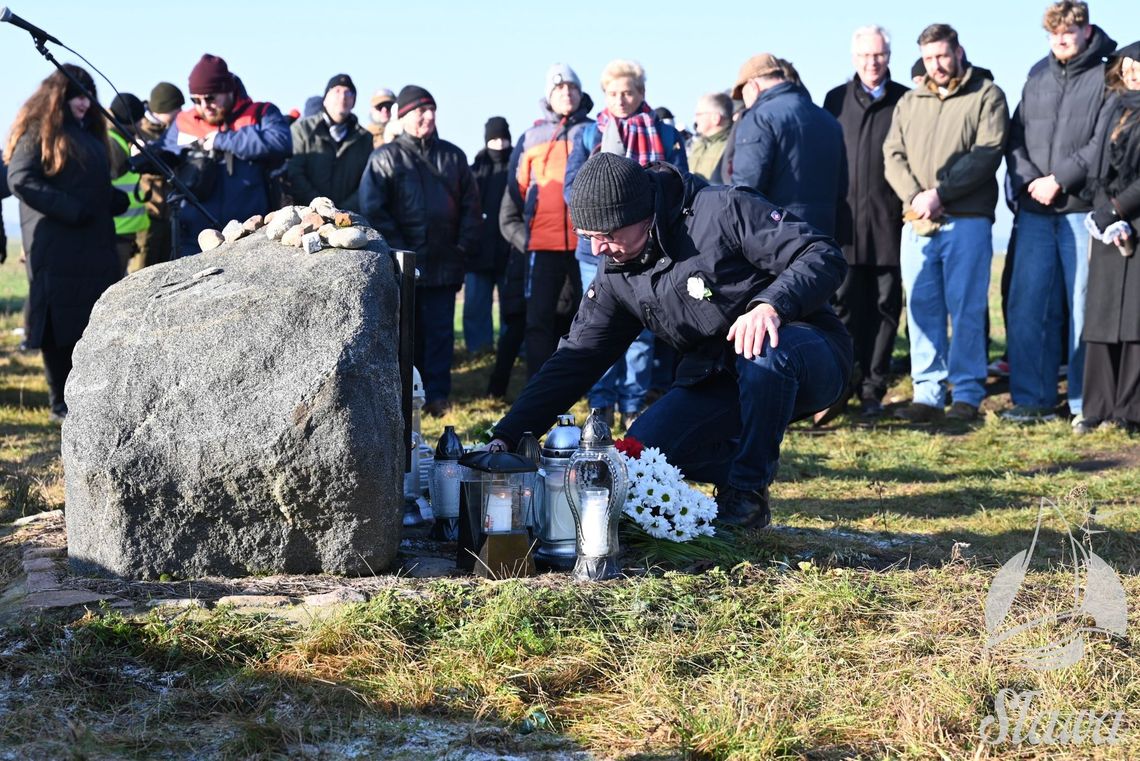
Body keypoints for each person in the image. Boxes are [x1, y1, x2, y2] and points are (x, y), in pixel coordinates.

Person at [490, 153, 851, 528]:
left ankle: (746, 494)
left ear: (642, 215)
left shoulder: (723, 211)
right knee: (642, 453)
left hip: (805, 353)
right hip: (714, 377)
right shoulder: (617, 273)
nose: (597, 249)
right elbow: (576, 358)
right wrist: (508, 434)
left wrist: (770, 305)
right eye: (587, 237)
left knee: (762, 349)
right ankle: (737, 464)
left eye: (607, 235)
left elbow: (820, 253)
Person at [884, 24, 1010, 422]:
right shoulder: (909, 101)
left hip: (966, 219)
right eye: (929, 58)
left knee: (967, 308)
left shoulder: (987, 95)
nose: (936, 64)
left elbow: (986, 154)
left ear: (958, 51)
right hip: (917, 220)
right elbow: (893, 153)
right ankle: (927, 393)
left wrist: (941, 193)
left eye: (942, 55)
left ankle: (968, 393)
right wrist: (916, 198)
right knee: (921, 307)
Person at [1002, 1, 1117, 425]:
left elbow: (1101, 141)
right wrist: (1030, 181)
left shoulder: (1107, 76)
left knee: (1083, 307)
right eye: (1054, 32)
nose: (1061, 38)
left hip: (1081, 209)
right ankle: (1032, 400)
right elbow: (1014, 137)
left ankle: (1085, 404)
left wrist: (1059, 179)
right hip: (1034, 211)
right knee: (1027, 305)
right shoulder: (1036, 76)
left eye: (1069, 30)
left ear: (1087, 30)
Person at [565, 59, 688, 431]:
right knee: (597, 327)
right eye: (613, 94)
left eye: (628, 92)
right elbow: (571, 187)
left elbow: (678, 184)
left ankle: (633, 402)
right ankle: (600, 403)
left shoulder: (663, 134)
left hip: (650, 247)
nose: (621, 100)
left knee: (643, 328)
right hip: (595, 251)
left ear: (642, 94)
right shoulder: (589, 135)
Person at [4, 65, 124, 423]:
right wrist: (74, 211)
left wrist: (109, 200)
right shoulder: (38, 131)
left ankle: (88, 399)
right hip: (57, 247)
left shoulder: (88, 135)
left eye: (89, 96)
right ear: (59, 96)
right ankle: (60, 402)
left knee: (89, 323)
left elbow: (79, 182)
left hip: (93, 246)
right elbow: (21, 179)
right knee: (59, 326)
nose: (85, 103)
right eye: (77, 95)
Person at [359, 85, 481, 417]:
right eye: (419, 111)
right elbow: (374, 209)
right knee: (408, 335)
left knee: (441, 332)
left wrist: (462, 246)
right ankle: (406, 398)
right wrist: (401, 249)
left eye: (431, 110)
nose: (426, 117)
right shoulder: (384, 158)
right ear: (404, 116)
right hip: (404, 265)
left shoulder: (453, 156)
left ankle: (438, 396)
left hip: (445, 261)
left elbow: (472, 206)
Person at [823, 25, 910, 419]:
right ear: (853, 58)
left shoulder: (905, 100)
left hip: (890, 223)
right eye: (863, 56)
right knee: (843, 307)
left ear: (888, 56)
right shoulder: (835, 100)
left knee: (885, 309)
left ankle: (873, 387)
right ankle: (840, 386)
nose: (871, 63)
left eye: (878, 55)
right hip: (844, 226)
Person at [498, 64, 595, 393]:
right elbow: (518, 190)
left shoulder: (595, 130)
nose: (566, 93)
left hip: (586, 245)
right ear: (548, 97)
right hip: (542, 246)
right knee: (538, 322)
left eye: (572, 87)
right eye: (559, 88)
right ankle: (538, 389)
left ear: (581, 94)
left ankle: (581, 387)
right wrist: (531, 235)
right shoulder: (532, 136)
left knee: (583, 320)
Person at [162, 54, 291, 256]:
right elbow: (165, 151)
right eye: (196, 100)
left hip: (249, 237)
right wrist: (144, 155)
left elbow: (281, 141)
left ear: (228, 90)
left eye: (210, 98)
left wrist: (224, 139)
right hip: (193, 240)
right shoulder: (182, 122)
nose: (205, 106)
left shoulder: (261, 113)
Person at [1077, 42, 1140, 434]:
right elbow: (1100, 168)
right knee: (1100, 319)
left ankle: (1130, 412)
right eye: (1128, 66)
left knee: (1136, 322)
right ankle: (1096, 407)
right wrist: (1105, 215)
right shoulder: (1113, 108)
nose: (1133, 73)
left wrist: (1119, 211)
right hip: (1107, 224)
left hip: (1134, 221)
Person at [729, 53, 846, 237]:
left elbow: (746, 190)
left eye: (742, 94)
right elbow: (842, 188)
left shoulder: (759, 118)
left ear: (752, 85)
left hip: (777, 240)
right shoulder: (828, 120)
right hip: (824, 237)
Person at [287, 74, 372, 212]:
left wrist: (342, 211)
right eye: (337, 91)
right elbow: (294, 173)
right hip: (306, 215)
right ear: (325, 99)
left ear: (354, 101)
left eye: (348, 92)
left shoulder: (365, 138)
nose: (343, 96)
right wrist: (320, 207)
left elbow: (366, 182)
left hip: (349, 218)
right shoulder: (302, 129)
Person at [464, 116, 513, 355]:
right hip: (478, 251)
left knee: (511, 307)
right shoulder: (475, 170)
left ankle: (509, 349)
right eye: (494, 139)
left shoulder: (518, 168)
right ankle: (478, 350)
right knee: (475, 306)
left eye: (504, 139)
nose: (500, 144)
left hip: (510, 250)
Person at [136, 82, 184, 267]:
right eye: (176, 108)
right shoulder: (139, 131)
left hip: (169, 215)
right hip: (148, 216)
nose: (180, 113)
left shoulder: (171, 131)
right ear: (162, 108)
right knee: (141, 271)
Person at [108, 93, 150, 274]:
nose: (141, 124)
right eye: (139, 120)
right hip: (116, 231)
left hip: (124, 231)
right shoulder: (113, 143)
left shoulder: (119, 140)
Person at [689, 93, 733, 182]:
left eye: (699, 114)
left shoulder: (731, 145)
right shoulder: (698, 144)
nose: (695, 119)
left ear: (715, 118)